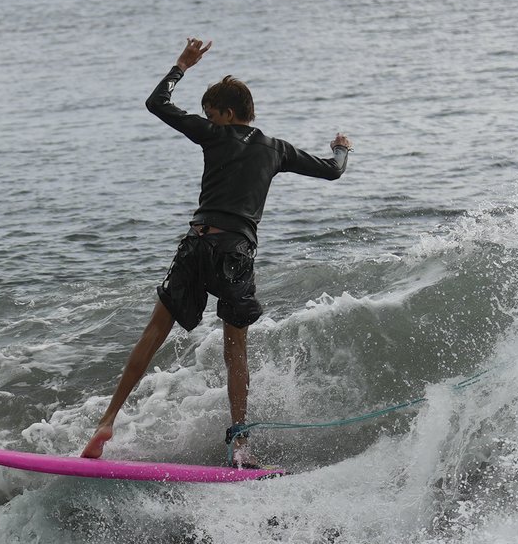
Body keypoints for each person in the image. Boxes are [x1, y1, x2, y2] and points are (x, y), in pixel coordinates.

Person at [83, 38, 351, 469]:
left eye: (211, 114)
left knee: (154, 332)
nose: (208, 120)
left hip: (196, 243)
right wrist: (341, 147)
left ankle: (107, 422)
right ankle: (240, 444)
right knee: (235, 349)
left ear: (227, 114)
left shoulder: (214, 134)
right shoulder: (276, 148)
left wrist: (181, 66)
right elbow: (333, 171)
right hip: (235, 252)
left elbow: (157, 103)